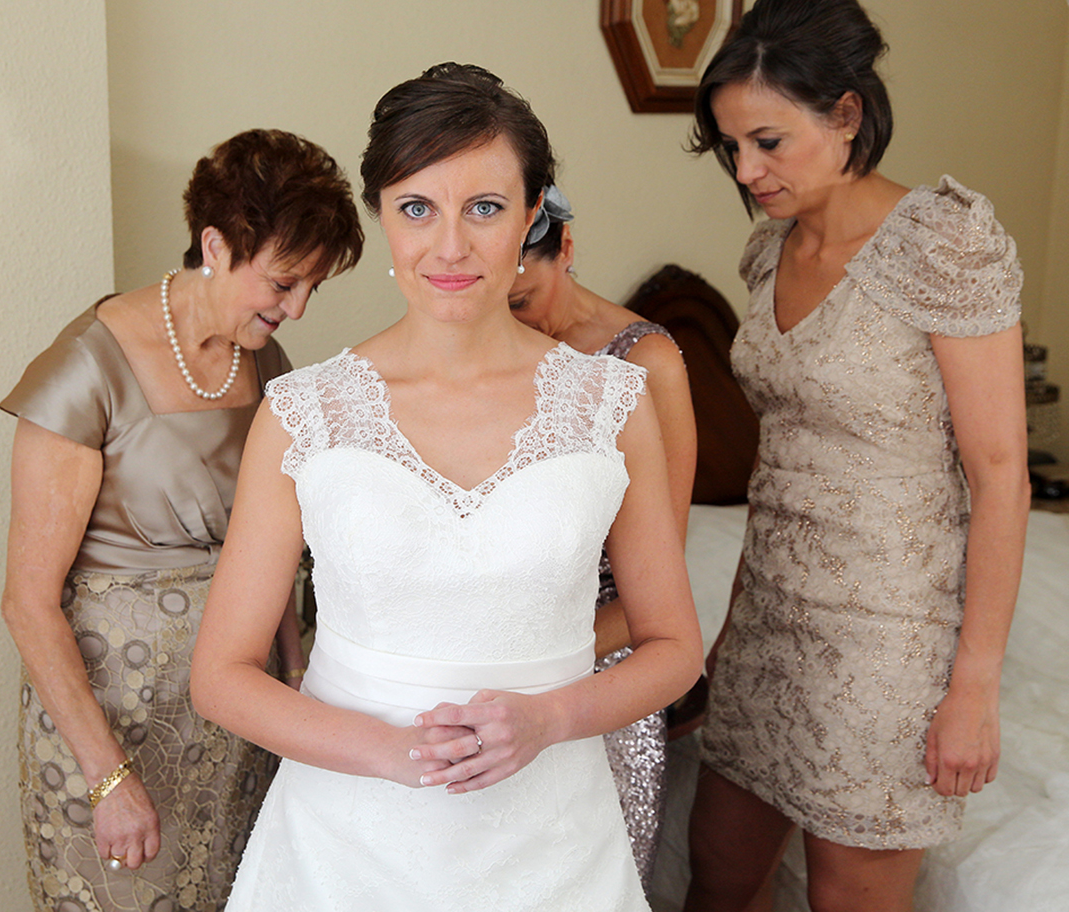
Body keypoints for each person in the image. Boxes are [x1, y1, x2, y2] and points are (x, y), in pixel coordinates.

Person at [190, 63, 703, 911]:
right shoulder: (303, 413)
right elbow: (222, 674)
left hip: (553, 842)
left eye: (487, 208)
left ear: (534, 214)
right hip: (348, 845)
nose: (451, 246)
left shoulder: (613, 406)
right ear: (382, 214)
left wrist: (551, 721)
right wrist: (393, 756)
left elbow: (673, 646)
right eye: (418, 208)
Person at [681, 0, 1029, 912]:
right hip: (766, 625)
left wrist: (974, 691)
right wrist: (726, 637)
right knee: (713, 874)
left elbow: (1000, 477)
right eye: (731, 148)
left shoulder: (944, 243)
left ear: (846, 115)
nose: (748, 171)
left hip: (886, 641)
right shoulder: (767, 251)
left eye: (768, 142)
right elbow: (776, 463)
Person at [0, 129, 363, 912]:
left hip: (234, 724)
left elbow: (280, 548)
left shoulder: (263, 363)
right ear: (214, 244)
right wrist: (108, 776)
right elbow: (27, 604)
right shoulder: (87, 369)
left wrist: (295, 684)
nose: (295, 309)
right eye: (284, 281)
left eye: (312, 290)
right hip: (114, 729)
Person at [507, 185, 697, 890]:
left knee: (591, 877)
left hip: (608, 655)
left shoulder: (646, 363)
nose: (513, 325)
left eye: (523, 304)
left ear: (568, 252)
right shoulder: (493, 356)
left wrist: (552, 653)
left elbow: (663, 570)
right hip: (508, 652)